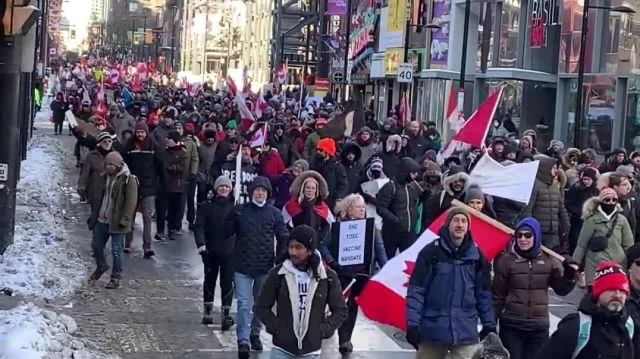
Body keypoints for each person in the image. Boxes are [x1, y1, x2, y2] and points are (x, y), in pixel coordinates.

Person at [406, 207, 496, 358]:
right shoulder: (430, 253)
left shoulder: (477, 257)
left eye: (463, 221)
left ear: (468, 226)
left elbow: (484, 294)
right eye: (455, 220)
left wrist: (489, 324)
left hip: (465, 332)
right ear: (448, 224)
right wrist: (412, 324)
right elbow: (416, 291)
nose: (460, 225)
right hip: (433, 331)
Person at [255, 225, 348, 359]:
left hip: (311, 351)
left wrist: (323, 330)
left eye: (298, 247)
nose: (293, 252)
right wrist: (277, 328)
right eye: (291, 247)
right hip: (282, 349)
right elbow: (261, 307)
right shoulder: (278, 274)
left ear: (309, 250)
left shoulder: (327, 277)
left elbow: (340, 310)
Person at [491, 217, 578, 359]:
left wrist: (569, 274)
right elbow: (497, 296)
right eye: (519, 235)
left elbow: (562, 290)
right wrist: (491, 325)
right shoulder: (506, 261)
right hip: (512, 325)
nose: (523, 239)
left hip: (538, 326)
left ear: (536, 236)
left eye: (528, 235)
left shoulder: (549, 260)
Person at [224, 176, 288, 358]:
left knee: (260, 304)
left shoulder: (274, 213)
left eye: (263, 190)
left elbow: (282, 235)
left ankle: (255, 333)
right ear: (251, 191)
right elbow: (226, 233)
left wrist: (281, 256)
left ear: (267, 194)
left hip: (264, 266)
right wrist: (231, 217)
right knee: (244, 304)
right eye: (257, 190)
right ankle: (242, 339)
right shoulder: (241, 211)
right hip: (242, 266)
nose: (260, 193)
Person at [321, 193, 387, 354]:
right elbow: (324, 246)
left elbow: (379, 249)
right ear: (349, 209)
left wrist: (386, 269)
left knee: (353, 307)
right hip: (342, 274)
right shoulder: (337, 226)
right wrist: (332, 262)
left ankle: (346, 339)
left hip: (362, 275)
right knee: (342, 305)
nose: (362, 209)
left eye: (363, 206)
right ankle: (339, 335)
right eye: (358, 206)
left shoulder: (372, 228)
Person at [537, 261, 638, 358]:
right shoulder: (576, 326)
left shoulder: (628, 325)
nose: (617, 294)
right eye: (611, 289)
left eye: (622, 290)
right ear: (598, 292)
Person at [87, 152, 139, 289]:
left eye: (111, 164)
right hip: (102, 218)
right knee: (96, 246)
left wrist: (125, 219)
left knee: (117, 250)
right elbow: (98, 198)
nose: (108, 167)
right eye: (107, 164)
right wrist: (93, 216)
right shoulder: (103, 178)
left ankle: (115, 277)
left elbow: (131, 202)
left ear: (118, 165)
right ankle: (101, 266)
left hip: (117, 221)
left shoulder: (129, 179)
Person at [194, 175, 235, 329]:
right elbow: (199, 226)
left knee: (227, 282)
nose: (224, 189)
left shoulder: (234, 207)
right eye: (221, 186)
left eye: (227, 187)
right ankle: (208, 311)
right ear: (216, 189)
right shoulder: (206, 206)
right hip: (210, 251)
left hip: (230, 252)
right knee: (210, 280)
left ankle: (226, 312)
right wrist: (201, 245)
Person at [572, 187, 634, 287]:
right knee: (595, 294)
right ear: (601, 201)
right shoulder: (591, 220)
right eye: (607, 199)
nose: (611, 202)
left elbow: (629, 244)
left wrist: (632, 264)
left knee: (616, 294)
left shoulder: (621, 220)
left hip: (618, 264)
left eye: (614, 199)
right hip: (596, 264)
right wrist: (575, 263)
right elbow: (581, 245)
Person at [121, 122, 163, 257]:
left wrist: (160, 182)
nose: (140, 135)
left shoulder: (153, 146)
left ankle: (147, 246)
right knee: (130, 215)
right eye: (138, 132)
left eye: (142, 132)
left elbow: (160, 164)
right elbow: (123, 163)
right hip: (132, 185)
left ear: (146, 132)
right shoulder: (129, 145)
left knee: (147, 216)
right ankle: (128, 243)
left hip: (149, 186)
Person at [376, 157, 423, 258]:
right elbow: (381, 208)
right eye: (413, 173)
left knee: (407, 262)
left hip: (409, 232)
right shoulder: (390, 186)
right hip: (392, 232)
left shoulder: (413, 186)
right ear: (406, 172)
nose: (416, 175)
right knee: (388, 260)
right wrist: (396, 220)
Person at [78, 132, 113, 206]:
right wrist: (81, 187)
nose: (107, 143)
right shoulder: (91, 155)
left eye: (109, 141)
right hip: (96, 189)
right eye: (104, 141)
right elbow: (85, 173)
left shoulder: (115, 155)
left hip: (111, 190)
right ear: (99, 143)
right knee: (95, 213)